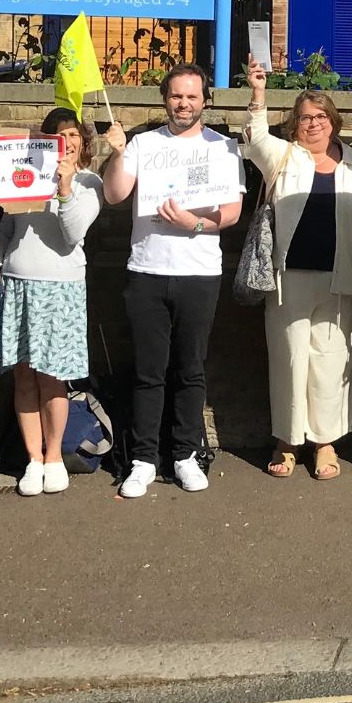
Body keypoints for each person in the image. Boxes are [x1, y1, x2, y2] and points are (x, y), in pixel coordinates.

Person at [242, 70, 352, 481]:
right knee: (289, 360)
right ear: (295, 123)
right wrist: (258, 93)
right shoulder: (283, 155)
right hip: (288, 279)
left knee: (331, 363)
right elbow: (255, 138)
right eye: (305, 117)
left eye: (321, 116)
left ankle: (325, 442)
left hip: (343, 278)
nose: (313, 123)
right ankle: (287, 441)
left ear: (334, 121)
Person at [100, 63, 244, 499]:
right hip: (147, 270)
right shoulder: (143, 144)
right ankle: (143, 459)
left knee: (190, 369)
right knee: (148, 372)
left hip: (199, 273)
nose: (184, 104)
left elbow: (231, 214)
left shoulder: (224, 148)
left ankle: (185, 454)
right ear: (165, 99)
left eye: (192, 97)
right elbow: (114, 195)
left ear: (205, 101)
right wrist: (118, 151)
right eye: (177, 96)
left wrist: (191, 224)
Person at [0, 109, 102, 496]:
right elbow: (6, 229)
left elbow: (72, 235)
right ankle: (33, 459)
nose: (66, 140)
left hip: (59, 289)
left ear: (82, 140)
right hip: (16, 285)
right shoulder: (25, 176)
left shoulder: (89, 182)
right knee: (23, 376)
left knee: (53, 377)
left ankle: (54, 457)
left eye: (72, 133)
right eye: (57, 134)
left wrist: (64, 188)